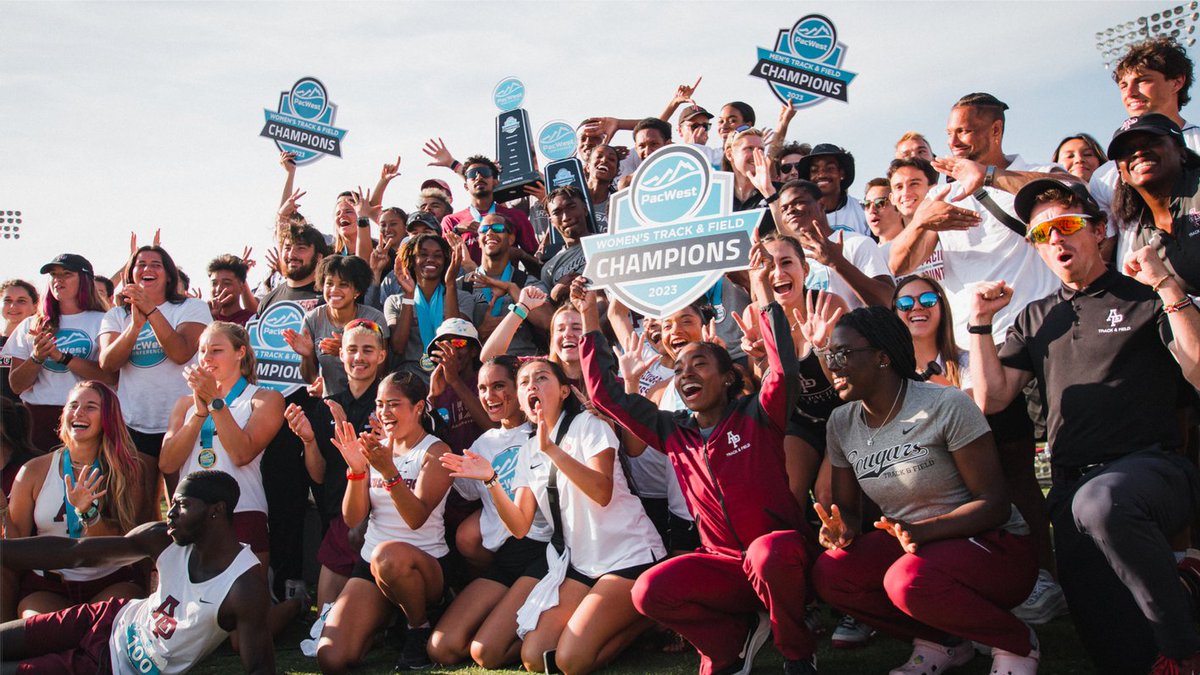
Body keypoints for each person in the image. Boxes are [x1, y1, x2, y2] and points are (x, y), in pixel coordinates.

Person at [972, 177, 1200, 673]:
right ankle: (1176, 594)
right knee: (1115, 652)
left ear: (1099, 231)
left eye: (1068, 225)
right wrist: (981, 324)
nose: (1056, 239)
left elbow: (1199, 368)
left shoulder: (1143, 295)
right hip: (1071, 493)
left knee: (1104, 503)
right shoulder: (1034, 318)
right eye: (1041, 233)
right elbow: (992, 398)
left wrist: (1167, 285)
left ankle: (1185, 647)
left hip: (1151, 470)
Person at [580, 276, 820, 675]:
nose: (686, 373)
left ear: (728, 377)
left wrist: (761, 292)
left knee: (766, 554)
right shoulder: (673, 430)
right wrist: (590, 314)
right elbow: (608, 396)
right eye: (679, 369)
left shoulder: (757, 415)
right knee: (649, 591)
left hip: (782, 558)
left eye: (700, 364)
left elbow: (783, 372)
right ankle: (730, 646)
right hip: (724, 565)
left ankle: (797, 653)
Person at [811, 307, 1038, 675]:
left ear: (883, 357)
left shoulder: (944, 404)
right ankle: (944, 642)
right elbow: (849, 512)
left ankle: (1016, 641)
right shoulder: (841, 422)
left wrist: (922, 532)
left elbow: (994, 505)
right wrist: (841, 528)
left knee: (906, 579)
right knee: (832, 575)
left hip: (995, 546)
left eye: (842, 354)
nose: (832, 366)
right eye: (828, 355)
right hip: (914, 546)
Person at [458, 356, 664, 675]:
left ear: (565, 391)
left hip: (628, 557)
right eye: (524, 382)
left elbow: (601, 491)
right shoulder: (528, 451)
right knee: (536, 656)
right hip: (581, 564)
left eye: (541, 378)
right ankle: (624, 619)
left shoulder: (589, 425)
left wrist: (552, 450)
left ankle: (649, 617)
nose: (532, 386)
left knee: (570, 661)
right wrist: (491, 480)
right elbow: (519, 525)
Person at [0, 470, 275, 674]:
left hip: (115, 667)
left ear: (216, 511)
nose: (171, 514)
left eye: (183, 505)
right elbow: (76, 552)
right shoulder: (163, 538)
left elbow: (260, 668)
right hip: (107, 618)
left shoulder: (243, 586)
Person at [315, 372, 453, 674]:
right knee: (332, 659)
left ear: (418, 408)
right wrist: (356, 469)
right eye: (380, 404)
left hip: (422, 565)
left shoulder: (436, 452)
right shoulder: (377, 447)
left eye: (393, 404)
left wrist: (389, 471)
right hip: (372, 567)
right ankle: (386, 624)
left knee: (388, 557)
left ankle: (419, 627)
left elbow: (416, 518)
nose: (384, 413)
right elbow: (353, 518)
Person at [429, 356, 553, 669]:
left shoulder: (543, 433)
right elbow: (472, 497)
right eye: (483, 388)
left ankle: (552, 632)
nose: (489, 395)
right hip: (504, 559)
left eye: (499, 386)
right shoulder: (481, 444)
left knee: (486, 653)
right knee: (441, 648)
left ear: (521, 388)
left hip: (543, 553)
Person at [5, 381, 148, 618]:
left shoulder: (127, 470)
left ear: (107, 418)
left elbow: (121, 541)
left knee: (111, 623)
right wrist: (2, 511)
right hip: (49, 584)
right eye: (73, 405)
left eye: (90, 407)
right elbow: (17, 542)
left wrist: (87, 512)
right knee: (42, 627)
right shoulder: (33, 470)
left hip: (109, 580)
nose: (79, 413)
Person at [160, 322, 284, 572]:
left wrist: (216, 402)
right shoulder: (184, 405)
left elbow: (241, 453)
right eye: (202, 351)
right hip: (190, 514)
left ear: (240, 352)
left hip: (242, 509)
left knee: (244, 600)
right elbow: (167, 463)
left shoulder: (264, 398)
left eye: (216, 350)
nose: (206, 358)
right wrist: (198, 413)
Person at [284, 320, 387, 622]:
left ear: (381, 356)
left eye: (368, 350)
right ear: (340, 355)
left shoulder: (390, 404)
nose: (359, 357)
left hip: (382, 524)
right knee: (324, 620)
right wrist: (308, 440)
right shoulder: (326, 407)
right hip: (339, 522)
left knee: (366, 621)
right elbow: (318, 476)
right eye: (352, 350)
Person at [98, 245, 211, 503]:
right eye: (141, 264)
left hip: (183, 421)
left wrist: (151, 312)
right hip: (133, 424)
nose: (148, 269)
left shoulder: (191, 307)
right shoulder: (116, 315)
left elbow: (180, 352)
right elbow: (108, 363)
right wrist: (135, 327)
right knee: (137, 508)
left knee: (184, 505)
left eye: (156, 264)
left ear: (169, 275)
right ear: (131, 274)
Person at [1090, 36, 1198, 267]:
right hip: (1145, 294)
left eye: (1142, 80)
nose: (1130, 92)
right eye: (1123, 85)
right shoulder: (1106, 173)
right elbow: (1105, 250)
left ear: (1177, 82)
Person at [4, 255, 114, 452]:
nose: (58, 280)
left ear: (85, 280)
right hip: (38, 417)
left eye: (67, 274)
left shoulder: (105, 320)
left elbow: (110, 376)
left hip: (87, 416)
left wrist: (62, 357)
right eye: (54, 275)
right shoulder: (31, 324)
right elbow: (17, 385)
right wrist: (37, 357)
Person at [1108, 113, 1200, 294]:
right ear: (1121, 174)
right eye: (1126, 151)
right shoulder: (1141, 239)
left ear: (1181, 152)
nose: (1139, 153)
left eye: (1152, 142)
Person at [777, 179, 895, 309]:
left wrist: (837, 262)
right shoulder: (785, 258)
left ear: (821, 204)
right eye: (784, 209)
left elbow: (887, 301)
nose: (790, 210)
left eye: (798, 202)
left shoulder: (857, 243)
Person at [287, 255, 388, 398]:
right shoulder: (312, 319)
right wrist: (307, 355)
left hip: (369, 403)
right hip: (330, 403)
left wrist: (347, 352)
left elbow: (381, 371)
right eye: (329, 284)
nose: (334, 290)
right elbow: (310, 378)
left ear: (357, 291)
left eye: (343, 285)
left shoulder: (374, 319)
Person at [384, 233, 473, 381]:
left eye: (437, 255)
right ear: (412, 260)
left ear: (446, 261)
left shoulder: (463, 298)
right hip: (409, 379)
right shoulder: (394, 301)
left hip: (450, 375)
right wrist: (409, 295)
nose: (430, 259)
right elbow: (398, 347)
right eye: (423, 254)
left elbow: (455, 337)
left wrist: (450, 283)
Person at [460, 213, 548, 347]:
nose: (489, 232)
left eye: (498, 228)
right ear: (478, 241)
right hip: (482, 363)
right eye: (483, 230)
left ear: (511, 239)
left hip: (522, 361)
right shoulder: (462, 284)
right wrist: (479, 334)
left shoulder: (526, 282)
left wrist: (511, 288)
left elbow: (548, 321)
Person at [440, 156, 539, 268]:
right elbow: (442, 260)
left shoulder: (516, 216)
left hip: (508, 283)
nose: (479, 177)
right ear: (466, 186)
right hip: (467, 283)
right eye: (472, 174)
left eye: (485, 173)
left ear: (495, 182)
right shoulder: (451, 221)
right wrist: (456, 231)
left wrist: (520, 254)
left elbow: (535, 262)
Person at [884, 157, 956, 281]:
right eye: (899, 187)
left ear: (932, 189)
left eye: (914, 184)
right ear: (892, 198)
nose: (906, 193)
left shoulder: (951, 233)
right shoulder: (886, 252)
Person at [893, 275, 970, 389]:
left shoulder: (968, 362)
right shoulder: (888, 371)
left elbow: (973, 406)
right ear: (895, 313)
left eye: (927, 299)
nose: (917, 307)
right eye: (905, 303)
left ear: (942, 307)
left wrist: (929, 375)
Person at [795, 143, 871, 236]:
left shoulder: (863, 210)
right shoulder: (801, 216)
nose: (822, 175)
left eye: (830, 168)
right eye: (814, 170)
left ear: (842, 173)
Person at [0, 280, 39, 404]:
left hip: (22, 413)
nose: (13, 306)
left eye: (21, 301)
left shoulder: (40, 343)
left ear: (35, 306)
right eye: (8, 300)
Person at [206, 254, 257, 325]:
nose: (219, 289)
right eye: (214, 283)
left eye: (226, 283)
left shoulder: (253, 321)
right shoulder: (201, 321)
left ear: (241, 288)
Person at [862, 178, 904, 243]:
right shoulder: (867, 251)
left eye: (880, 203)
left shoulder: (919, 248)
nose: (871, 210)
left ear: (899, 209)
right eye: (867, 204)